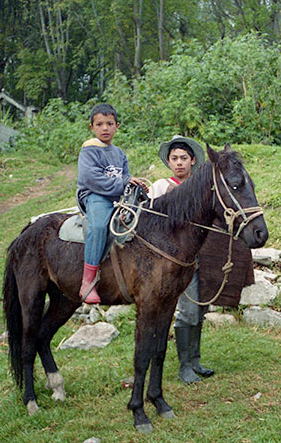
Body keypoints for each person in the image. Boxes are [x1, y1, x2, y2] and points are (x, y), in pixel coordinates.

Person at [148, 135, 215, 384]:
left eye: (183, 158)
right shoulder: (161, 186)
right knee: (185, 312)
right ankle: (184, 366)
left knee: (197, 310)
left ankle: (195, 360)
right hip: (171, 263)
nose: (179, 163)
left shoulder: (200, 188)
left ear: (193, 160)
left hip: (197, 259)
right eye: (174, 158)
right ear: (168, 161)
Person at [76, 103, 147, 304]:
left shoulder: (119, 153)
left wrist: (134, 186)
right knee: (98, 226)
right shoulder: (89, 149)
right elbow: (90, 178)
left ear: (117, 126)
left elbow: (125, 176)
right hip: (95, 195)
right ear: (91, 127)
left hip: (116, 197)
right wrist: (123, 182)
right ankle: (87, 281)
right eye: (99, 124)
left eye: (109, 123)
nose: (105, 128)